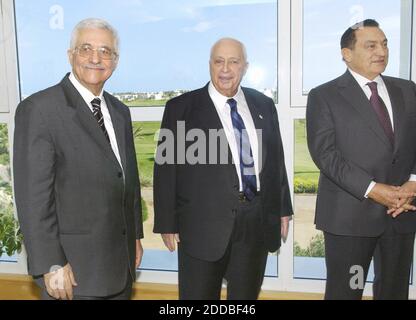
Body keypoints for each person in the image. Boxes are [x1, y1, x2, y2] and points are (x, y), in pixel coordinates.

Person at [13, 18, 143, 300]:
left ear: (116, 60)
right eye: (86, 48)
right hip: (71, 275)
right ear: (70, 54)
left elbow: (127, 182)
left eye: (105, 51)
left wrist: (134, 238)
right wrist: (51, 263)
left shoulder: (120, 112)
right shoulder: (39, 110)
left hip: (119, 268)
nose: (96, 58)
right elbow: (33, 199)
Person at [153, 38, 293, 300]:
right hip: (201, 225)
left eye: (233, 61)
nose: (225, 69)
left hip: (255, 221)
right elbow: (165, 170)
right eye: (219, 61)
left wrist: (283, 208)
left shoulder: (263, 104)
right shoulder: (181, 108)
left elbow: (276, 161)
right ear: (210, 65)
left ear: (245, 66)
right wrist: (166, 222)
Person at [306, 19, 416, 300]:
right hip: (350, 218)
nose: (381, 51)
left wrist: (413, 183)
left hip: (401, 213)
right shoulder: (324, 96)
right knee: (347, 292)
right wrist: (373, 189)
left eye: (384, 44)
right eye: (371, 45)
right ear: (347, 53)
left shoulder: (408, 90)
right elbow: (325, 155)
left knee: (394, 292)